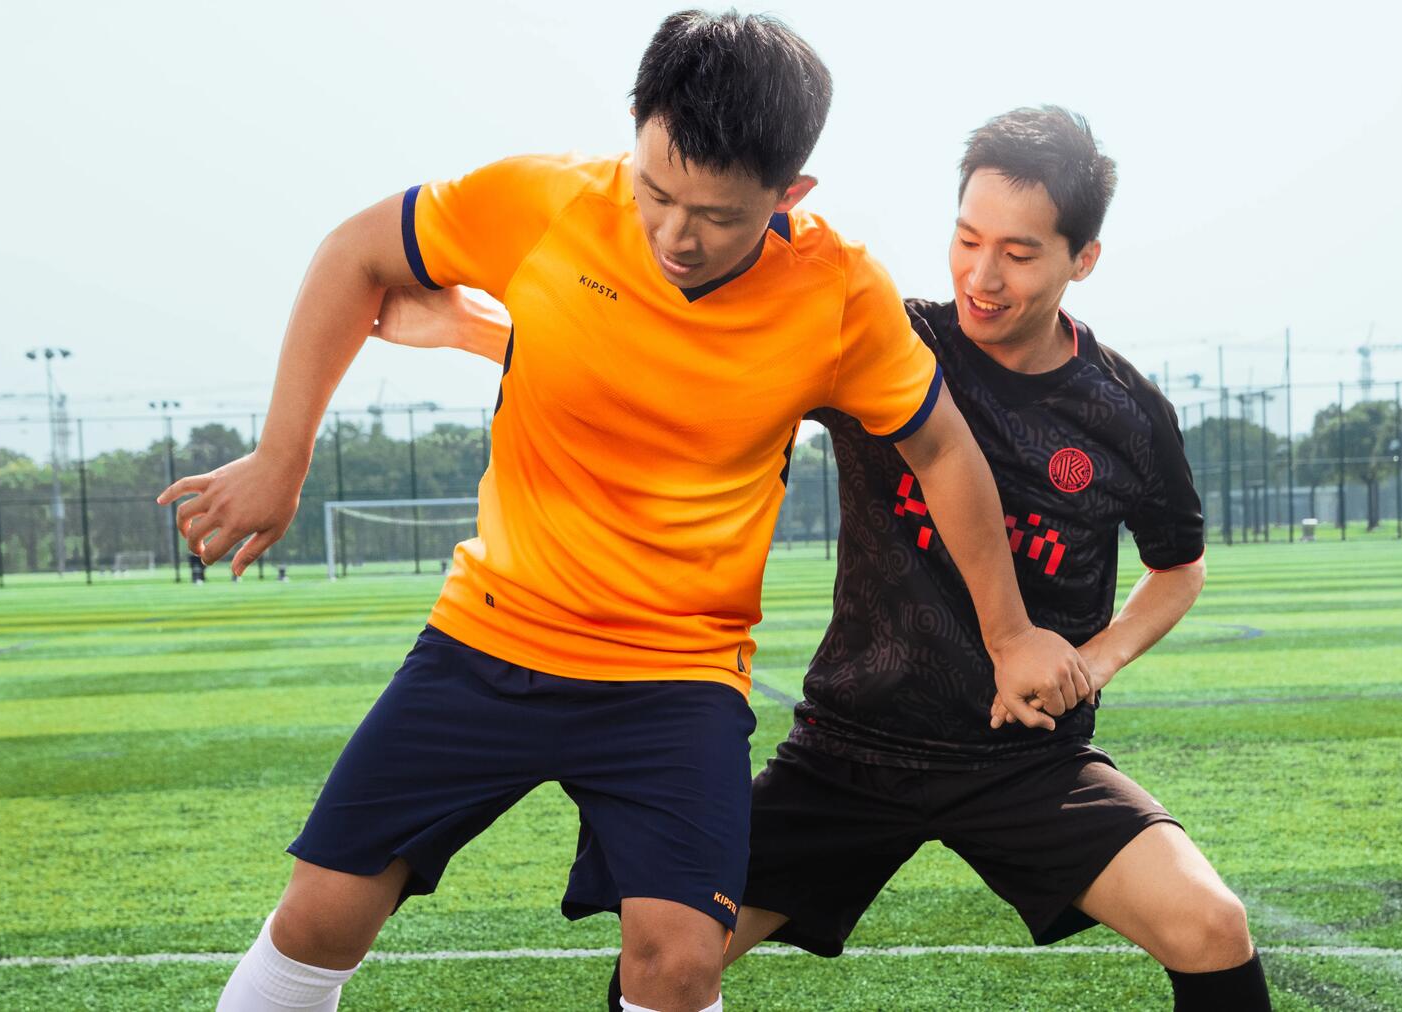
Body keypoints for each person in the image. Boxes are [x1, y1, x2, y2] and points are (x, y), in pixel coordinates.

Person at [160, 12, 1088, 1012]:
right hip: (491, 637)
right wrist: (282, 457)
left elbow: (942, 447)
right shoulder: (542, 200)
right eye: (656, 191)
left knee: (679, 963)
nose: (675, 235)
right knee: (321, 914)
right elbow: (355, 253)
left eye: (718, 215)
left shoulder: (837, 292)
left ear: (790, 194)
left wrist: (1009, 634)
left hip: (675, 675)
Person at [382, 105, 1272, 1011]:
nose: (982, 275)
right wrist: (477, 331)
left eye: (1019, 253)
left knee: (1212, 926)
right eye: (967, 240)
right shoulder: (888, 336)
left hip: (1024, 759)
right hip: (849, 752)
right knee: (667, 966)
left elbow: (1179, 567)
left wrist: (1093, 661)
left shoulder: (1126, 412)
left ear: (1082, 259)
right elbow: (697, 375)